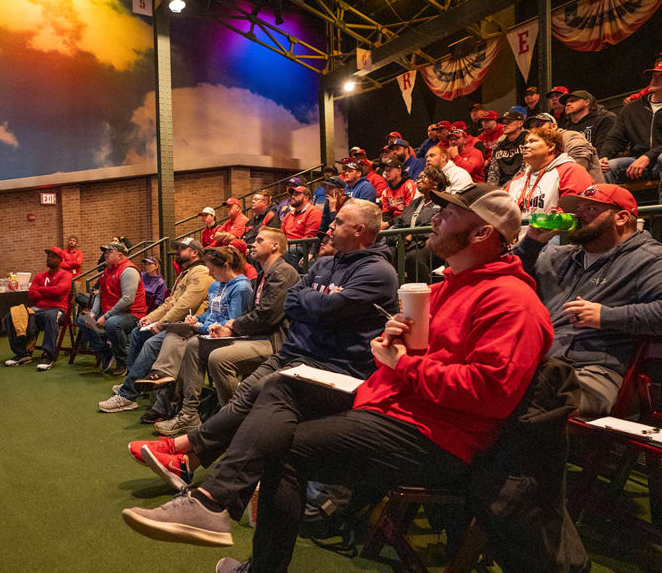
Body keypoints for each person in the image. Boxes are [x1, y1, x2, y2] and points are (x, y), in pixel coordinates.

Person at [122, 185, 554, 573]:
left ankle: (214, 503)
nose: (435, 217)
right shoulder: (443, 289)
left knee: (283, 440)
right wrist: (398, 343)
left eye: (449, 213)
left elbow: (491, 393)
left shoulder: (512, 299)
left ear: (481, 234)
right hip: (390, 406)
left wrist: (404, 364)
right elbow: (311, 310)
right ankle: (212, 501)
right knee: (283, 387)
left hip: (435, 435)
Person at [126, 200, 398, 491]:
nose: (330, 225)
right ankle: (187, 459)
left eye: (339, 221)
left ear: (359, 230)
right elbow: (294, 303)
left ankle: (191, 458)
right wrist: (317, 304)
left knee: (254, 388)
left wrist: (312, 305)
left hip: (331, 366)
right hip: (294, 352)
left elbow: (301, 310)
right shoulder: (322, 263)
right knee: (244, 391)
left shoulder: (378, 272)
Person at [515, 184, 662, 416]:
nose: (578, 215)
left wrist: (607, 316)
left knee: (517, 398)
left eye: (590, 208)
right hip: (539, 363)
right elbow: (497, 279)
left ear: (622, 218)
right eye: (578, 209)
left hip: (593, 372)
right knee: (481, 384)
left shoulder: (650, 260)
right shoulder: (557, 256)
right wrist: (531, 243)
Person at [140, 247, 255, 435]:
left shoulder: (242, 287)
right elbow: (210, 314)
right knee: (174, 331)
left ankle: (173, 393)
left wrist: (199, 327)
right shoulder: (215, 286)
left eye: (212, 269)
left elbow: (233, 323)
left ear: (225, 266)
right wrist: (196, 320)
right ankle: (165, 380)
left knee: (186, 342)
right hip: (206, 331)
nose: (209, 273)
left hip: (225, 337)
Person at [100, 238, 212, 413]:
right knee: (138, 333)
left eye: (182, 248)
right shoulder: (186, 273)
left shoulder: (201, 272)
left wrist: (160, 324)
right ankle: (135, 382)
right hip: (174, 323)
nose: (177, 252)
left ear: (194, 252)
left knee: (151, 343)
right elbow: (169, 303)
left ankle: (127, 395)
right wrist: (150, 317)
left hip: (187, 326)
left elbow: (186, 304)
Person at [600, 57, 662, 204]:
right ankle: (605, 216)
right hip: (639, 161)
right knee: (607, 167)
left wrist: (649, 156)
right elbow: (615, 137)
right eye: (654, 75)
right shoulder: (632, 108)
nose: (655, 78)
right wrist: (604, 156)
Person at [77, 242, 147, 377]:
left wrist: (106, 316)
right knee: (83, 319)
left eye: (109, 251)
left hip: (132, 314)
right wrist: (93, 313)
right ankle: (105, 351)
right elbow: (100, 294)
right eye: (105, 251)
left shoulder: (129, 270)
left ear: (120, 255)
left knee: (112, 323)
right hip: (112, 313)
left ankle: (123, 361)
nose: (105, 254)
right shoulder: (107, 271)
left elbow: (128, 300)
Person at [505, 127, 594, 227]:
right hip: (517, 239)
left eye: (532, 141)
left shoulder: (570, 171)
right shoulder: (517, 180)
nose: (525, 146)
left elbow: (574, 213)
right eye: (525, 143)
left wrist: (549, 222)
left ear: (551, 146)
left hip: (553, 239)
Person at [3, 247, 72, 370]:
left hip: (58, 309)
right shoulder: (39, 276)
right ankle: (22, 353)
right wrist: (49, 293)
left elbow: (59, 291)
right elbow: (31, 295)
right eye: (48, 256)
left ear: (60, 260)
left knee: (51, 316)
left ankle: (48, 354)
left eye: (53, 256)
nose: (49, 258)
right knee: (12, 315)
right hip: (37, 309)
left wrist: (40, 290)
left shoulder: (65, 275)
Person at [390, 166, 445, 283]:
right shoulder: (415, 202)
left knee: (414, 257)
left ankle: (423, 296)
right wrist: (399, 239)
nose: (418, 181)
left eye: (423, 177)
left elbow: (440, 225)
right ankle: (395, 293)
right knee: (388, 253)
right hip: (409, 243)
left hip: (436, 244)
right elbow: (398, 224)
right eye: (418, 178)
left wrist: (412, 236)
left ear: (436, 181)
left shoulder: (444, 201)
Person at [526, 112, 604, 183]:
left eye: (539, 125)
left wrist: (555, 180)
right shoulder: (536, 147)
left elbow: (580, 156)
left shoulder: (569, 135)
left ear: (554, 126)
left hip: (587, 192)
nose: (535, 130)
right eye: (531, 128)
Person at [280, 184, 322, 269]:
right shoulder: (289, 214)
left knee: (288, 252)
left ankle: (294, 280)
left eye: (296, 194)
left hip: (303, 248)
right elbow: (281, 233)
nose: (292, 196)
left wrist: (290, 244)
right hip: (288, 245)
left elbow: (310, 237)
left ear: (306, 197)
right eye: (292, 194)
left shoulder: (313, 211)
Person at [486, 107, 529, 187]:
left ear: (520, 123)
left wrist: (509, 187)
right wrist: (492, 190)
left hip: (523, 184)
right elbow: (493, 173)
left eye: (509, 121)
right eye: (503, 122)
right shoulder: (498, 145)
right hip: (502, 187)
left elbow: (527, 168)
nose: (504, 125)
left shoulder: (528, 140)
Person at [379, 157, 416, 226]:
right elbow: (386, 215)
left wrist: (388, 224)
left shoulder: (409, 185)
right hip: (393, 223)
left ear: (399, 171)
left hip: (408, 222)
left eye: (389, 170)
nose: (386, 173)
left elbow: (409, 212)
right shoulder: (385, 192)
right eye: (385, 171)